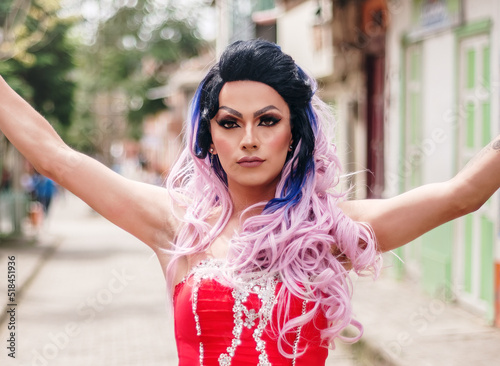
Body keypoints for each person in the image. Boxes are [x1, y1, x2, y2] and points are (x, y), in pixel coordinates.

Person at [0, 39, 498, 365]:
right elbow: (55, 157)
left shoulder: (331, 230)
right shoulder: (180, 225)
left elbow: (463, 195)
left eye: (268, 120)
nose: (249, 139)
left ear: (294, 132)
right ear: (209, 135)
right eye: (230, 122)